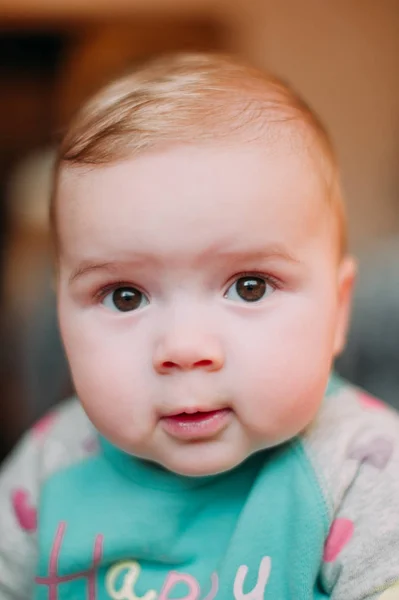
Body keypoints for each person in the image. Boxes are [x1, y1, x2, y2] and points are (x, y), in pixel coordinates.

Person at [0, 52, 398, 600]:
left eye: (250, 286)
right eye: (124, 296)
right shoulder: (49, 466)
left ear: (339, 309)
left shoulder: (367, 471)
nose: (184, 349)